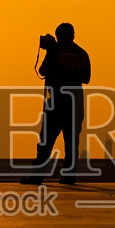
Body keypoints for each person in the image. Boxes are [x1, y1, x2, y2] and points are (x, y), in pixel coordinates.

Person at [26, 22, 91, 184]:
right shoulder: (82, 53)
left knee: (45, 142)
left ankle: (37, 177)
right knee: (71, 143)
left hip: (56, 103)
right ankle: (68, 178)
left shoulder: (55, 52)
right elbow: (86, 78)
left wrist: (51, 52)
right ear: (73, 35)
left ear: (59, 35)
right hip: (75, 104)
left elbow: (42, 71)